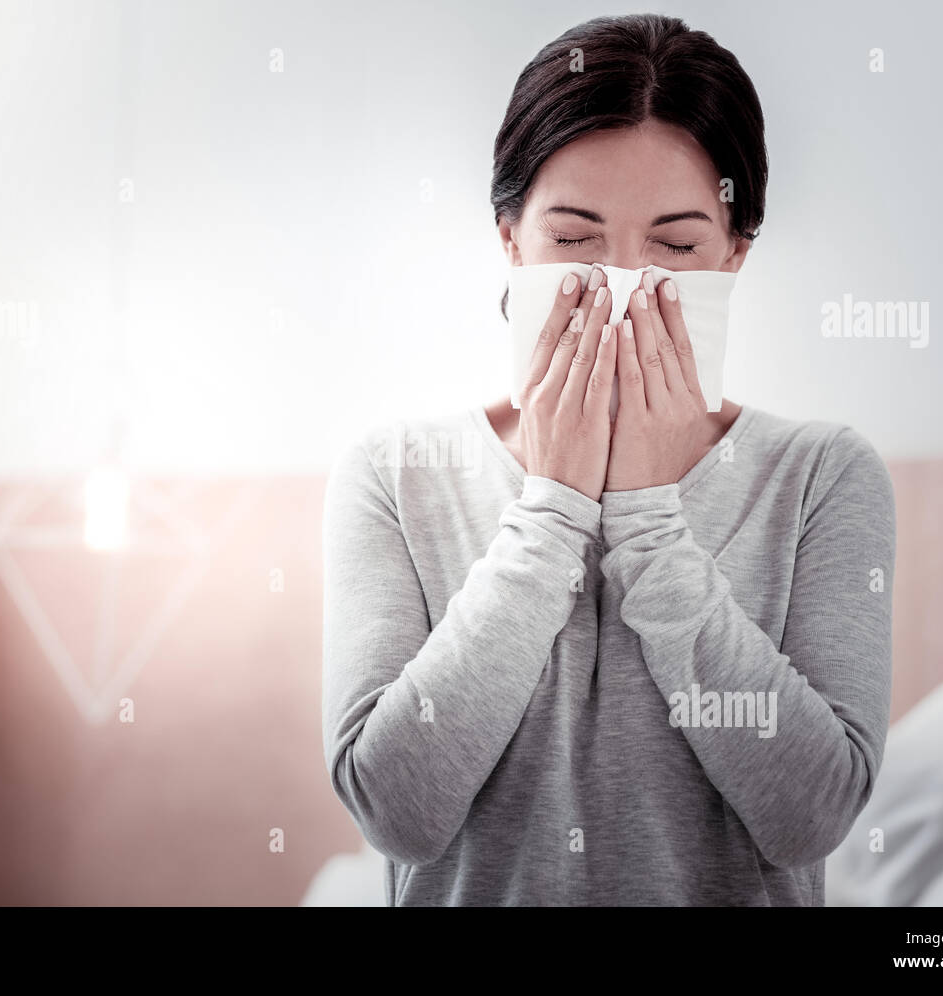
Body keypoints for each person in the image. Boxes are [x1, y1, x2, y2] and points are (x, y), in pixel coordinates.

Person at [321, 12, 896, 906]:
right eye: (575, 239)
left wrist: (650, 518)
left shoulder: (822, 476)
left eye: (675, 246)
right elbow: (395, 815)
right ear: (510, 239)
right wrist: (549, 509)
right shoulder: (397, 475)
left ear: (735, 254)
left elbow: (810, 820)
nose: (622, 288)